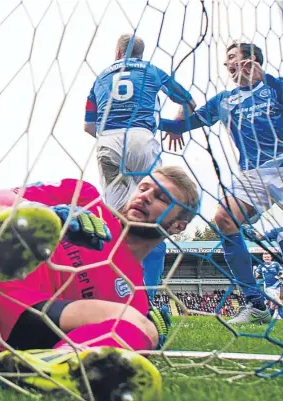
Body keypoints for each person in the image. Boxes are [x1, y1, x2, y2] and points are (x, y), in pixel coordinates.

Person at [0, 165, 200, 401]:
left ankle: (52, 366)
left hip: (12, 323)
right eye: (144, 187)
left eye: (161, 197)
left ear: (177, 226)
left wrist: (149, 339)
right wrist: (53, 217)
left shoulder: (133, 295)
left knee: (139, 325)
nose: (145, 196)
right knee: (0, 213)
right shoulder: (85, 197)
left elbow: (132, 328)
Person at [159, 41, 283, 324]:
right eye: (227, 59)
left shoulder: (278, 86)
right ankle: (255, 303)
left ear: (252, 59)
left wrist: (264, 77)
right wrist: (164, 116)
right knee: (224, 219)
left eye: (232, 57)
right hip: (251, 174)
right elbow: (182, 125)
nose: (227, 64)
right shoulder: (225, 100)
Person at [84, 34, 195, 312]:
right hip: (142, 138)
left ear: (118, 50)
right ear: (140, 54)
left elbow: (88, 126)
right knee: (153, 216)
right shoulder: (152, 70)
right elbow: (188, 101)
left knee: (113, 219)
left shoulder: (99, 77)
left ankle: (106, 291)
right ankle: (148, 297)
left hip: (108, 141)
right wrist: (176, 123)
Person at [255, 252, 283, 319]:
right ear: (263, 258)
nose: (266, 258)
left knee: (273, 305)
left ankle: (268, 316)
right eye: (265, 257)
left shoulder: (276, 264)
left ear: (271, 257)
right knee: (277, 300)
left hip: (277, 286)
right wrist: (254, 271)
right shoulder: (261, 265)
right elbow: (256, 276)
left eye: (268, 257)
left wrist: (279, 276)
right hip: (268, 287)